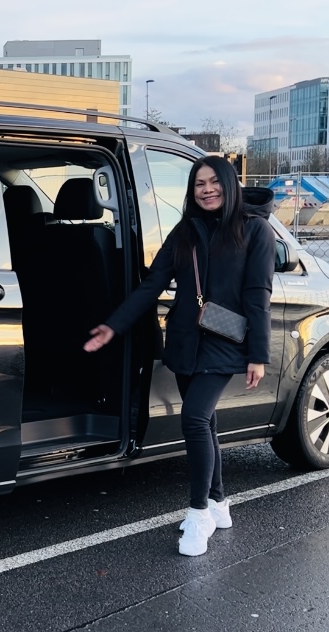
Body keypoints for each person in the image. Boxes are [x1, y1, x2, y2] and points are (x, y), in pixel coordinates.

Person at [83, 156, 275, 557]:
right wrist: (113, 325)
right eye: (198, 184)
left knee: (194, 418)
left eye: (213, 182)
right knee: (205, 420)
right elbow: (152, 283)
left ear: (229, 183)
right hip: (187, 340)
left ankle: (199, 511)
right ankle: (220, 502)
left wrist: (258, 354)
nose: (206, 190)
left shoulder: (255, 230)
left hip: (226, 341)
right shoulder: (185, 231)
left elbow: (259, 295)